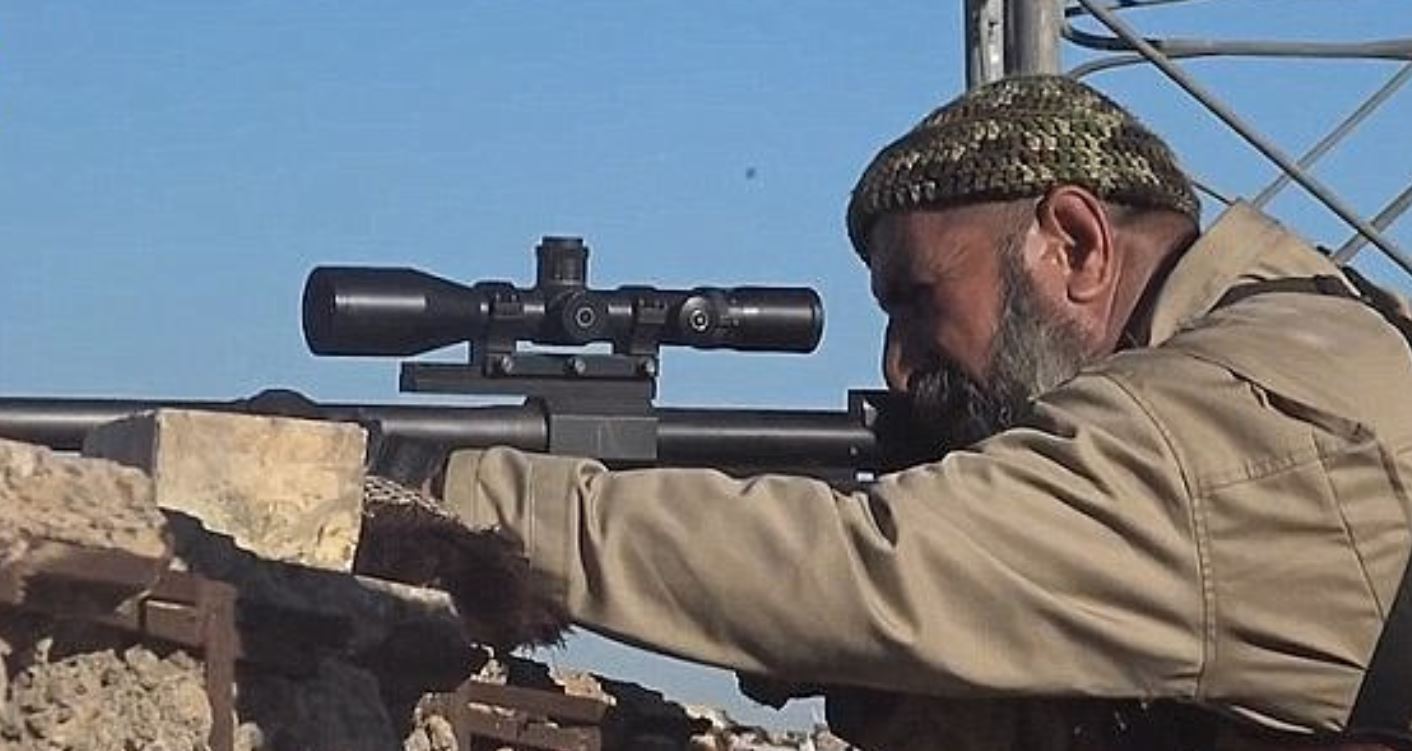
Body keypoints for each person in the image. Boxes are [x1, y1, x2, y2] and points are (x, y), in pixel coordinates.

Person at [376, 75, 1412, 750]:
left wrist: (453, 498)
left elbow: (873, 567)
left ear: (1075, 246)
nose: (898, 364)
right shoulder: (1326, 338)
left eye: (918, 298)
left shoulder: (1229, 424)